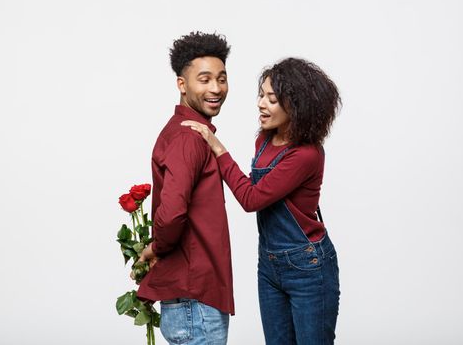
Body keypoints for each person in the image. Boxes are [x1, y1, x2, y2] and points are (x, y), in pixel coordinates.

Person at [182, 57, 341, 344]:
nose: (261, 104)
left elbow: (251, 197)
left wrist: (217, 148)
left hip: (308, 266)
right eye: (261, 95)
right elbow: (257, 188)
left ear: (297, 105)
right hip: (269, 265)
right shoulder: (265, 140)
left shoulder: (306, 155)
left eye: (272, 99)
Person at [135, 31, 234, 345]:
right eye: (204, 79)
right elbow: (173, 211)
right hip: (196, 299)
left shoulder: (188, 132)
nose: (216, 88)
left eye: (221, 78)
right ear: (182, 84)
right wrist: (158, 248)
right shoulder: (190, 137)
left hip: (192, 297)